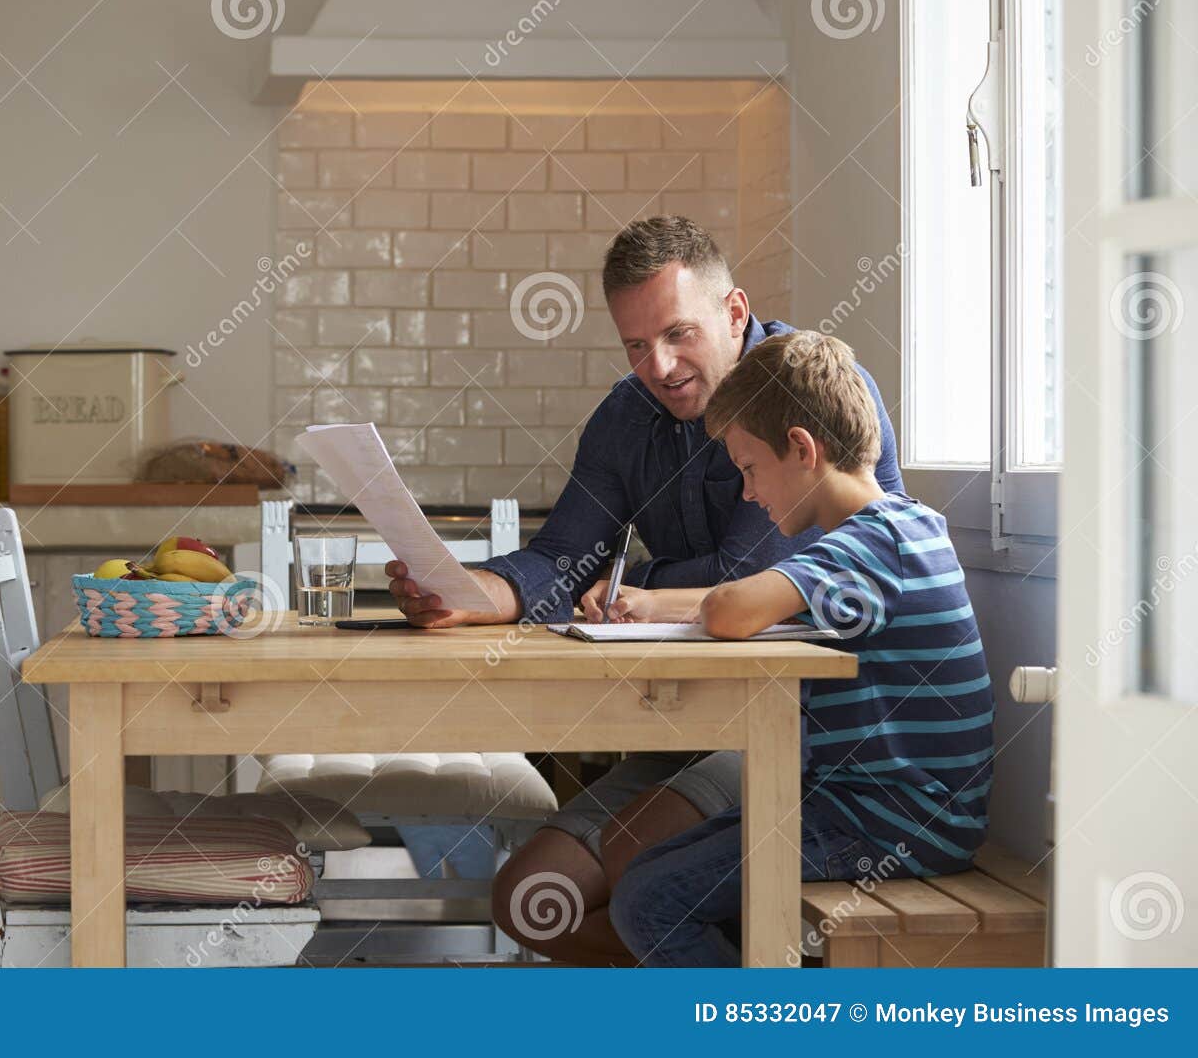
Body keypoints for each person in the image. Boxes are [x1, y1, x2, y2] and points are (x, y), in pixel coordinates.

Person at [384, 216, 905, 963]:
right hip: (697, 726)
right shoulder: (627, 415)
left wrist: (632, 584)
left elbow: (743, 584)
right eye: (635, 345)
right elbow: (561, 557)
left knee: (640, 863)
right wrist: (470, 591)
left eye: (678, 334)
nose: (658, 366)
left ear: (734, 313)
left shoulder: (810, 396)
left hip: (810, 733)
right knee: (531, 901)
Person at [606, 330, 993, 966]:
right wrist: (651, 604)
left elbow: (733, 610)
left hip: (894, 827)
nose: (751, 494)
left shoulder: (871, 545)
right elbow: (752, 600)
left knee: (649, 898)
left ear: (802, 449)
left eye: (750, 470)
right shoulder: (899, 527)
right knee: (650, 869)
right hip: (875, 809)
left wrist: (683, 602)